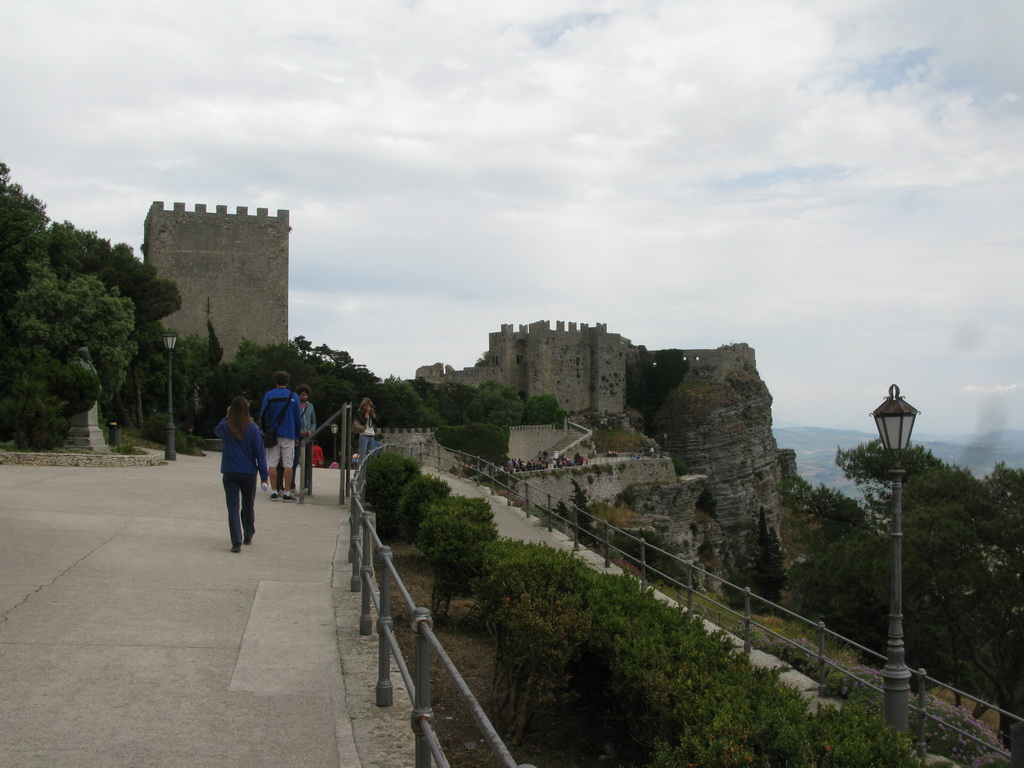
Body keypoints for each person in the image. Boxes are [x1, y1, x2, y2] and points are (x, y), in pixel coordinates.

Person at [214, 396, 269, 553]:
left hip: (230, 472)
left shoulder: (225, 426)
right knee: (248, 505)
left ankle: (236, 541)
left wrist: (227, 416)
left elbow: (216, 430)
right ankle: (248, 533)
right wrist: (264, 476)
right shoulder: (253, 429)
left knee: (232, 507)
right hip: (248, 473)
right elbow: (260, 454)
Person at [259, 371, 303, 502]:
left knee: (272, 463)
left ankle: (274, 491)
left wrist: (265, 430)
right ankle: (287, 492)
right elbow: (297, 418)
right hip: (289, 433)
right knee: (288, 464)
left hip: (273, 433)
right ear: (287, 381)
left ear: (276, 381)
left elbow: (263, 414)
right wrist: (297, 435)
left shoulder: (269, 395)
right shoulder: (294, 397)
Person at [290, 384, 317, 493]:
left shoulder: (310, 406)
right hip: (297, 436)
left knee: (307, 461)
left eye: (306, 395)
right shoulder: (294, 405)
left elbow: (314, 421)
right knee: (295, 460)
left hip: (308, 437)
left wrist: (311, 430)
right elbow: (292, 420)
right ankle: (291, 485)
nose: (304, 397)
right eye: (302, 395)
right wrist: (298, 431)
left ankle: (306, 485)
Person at [353, 398, 378, 462]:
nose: (369, 408)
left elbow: (376, 422)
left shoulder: (370, 414)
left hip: (371, 435)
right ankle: (360, 468)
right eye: (367, 406)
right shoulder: (360, 413)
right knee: (362, 455)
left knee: (369, 455)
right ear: (364, 406)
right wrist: (367, 412)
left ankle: (367, 468)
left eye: (370, 406)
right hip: (364, 435)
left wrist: (372, 413)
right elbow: (363, 422)